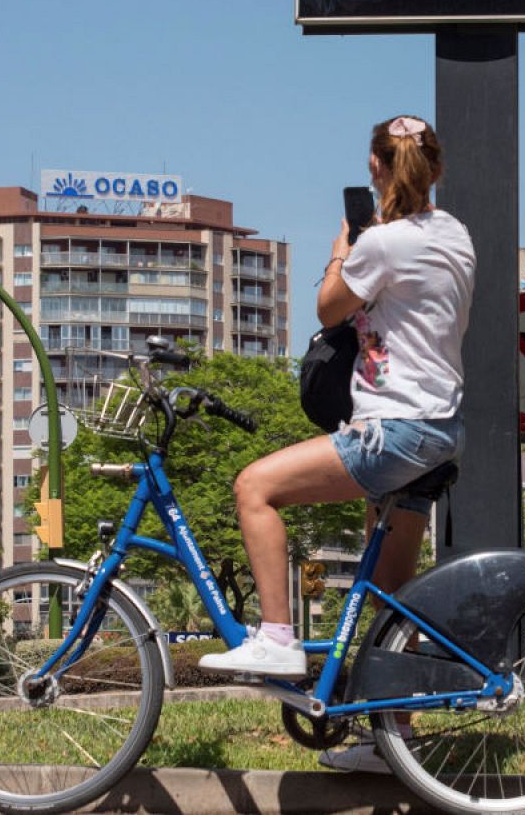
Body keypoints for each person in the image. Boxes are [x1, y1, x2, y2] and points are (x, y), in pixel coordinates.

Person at [199, 114, 474, 696]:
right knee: (389, 599)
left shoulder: (379, 245)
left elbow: (329, 309)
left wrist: (339, 252)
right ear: (437, 170)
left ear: (375, 167)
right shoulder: (453, 233)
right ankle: (391, 735)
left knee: (255, 488)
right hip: (439, 428)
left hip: (392, 429)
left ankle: (276, 637)